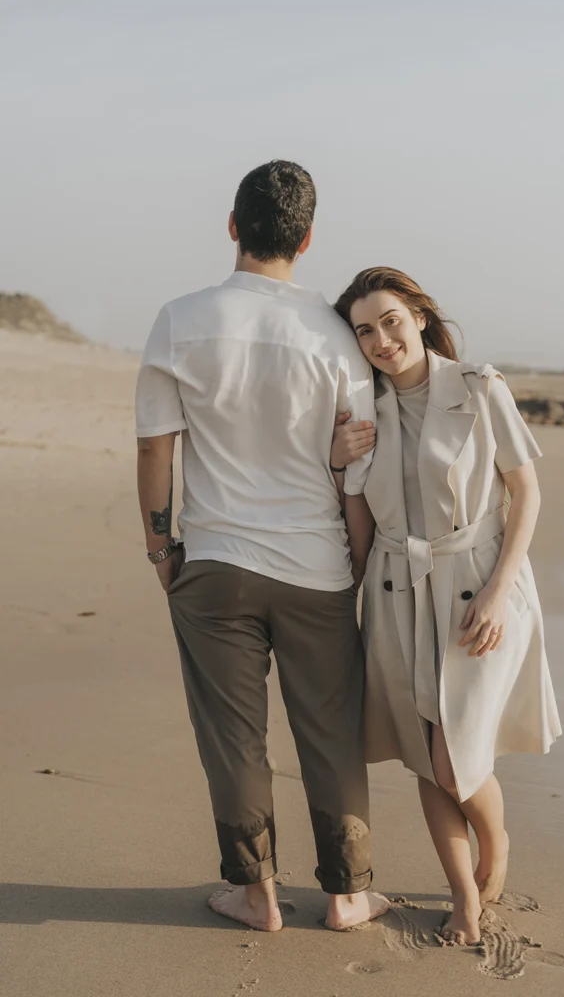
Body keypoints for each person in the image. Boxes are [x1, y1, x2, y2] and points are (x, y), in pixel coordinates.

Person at [135, 161, 388, 933]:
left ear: (233, 226)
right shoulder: (335, 334)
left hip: (214, 565)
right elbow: (357, 466)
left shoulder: (179, 319)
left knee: (232, 738)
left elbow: (155, 451)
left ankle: (257, 893)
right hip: (317, 565)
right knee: (329, 730)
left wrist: (159, 548)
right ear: (306, 239)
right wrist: (353, 560)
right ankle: (347, 893)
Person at [330, 267, 561, 945]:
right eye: (364, 330)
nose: (380, 339)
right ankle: (463, 895)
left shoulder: (479, 387)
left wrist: (497, 592)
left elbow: (528, 495)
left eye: (390, 321)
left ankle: (496, 843)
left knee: (457, 754)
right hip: (397, 592)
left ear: (420, 317)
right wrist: (341, 467)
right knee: (424, 753)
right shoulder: (359, 408)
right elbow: (360, 533)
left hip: (478, 585)